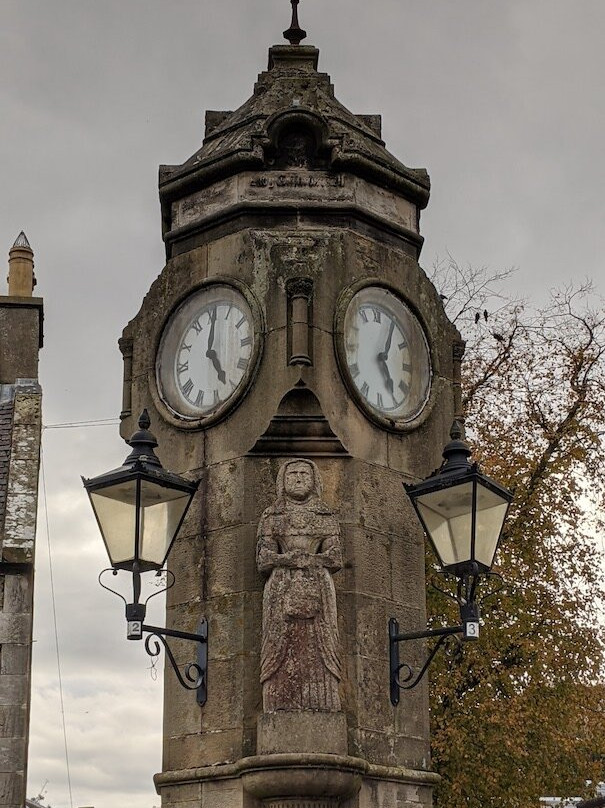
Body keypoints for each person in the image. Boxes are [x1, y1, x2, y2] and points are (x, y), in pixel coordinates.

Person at [256, 459, 343, 712]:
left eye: (304, 474)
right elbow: (263, 558)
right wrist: (288, 559)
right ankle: (278, 703)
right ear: (282, 480)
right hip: (280, 587)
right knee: (278, 643)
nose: (297, 478)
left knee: (322, 644)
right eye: (292, 473)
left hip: (318, 584)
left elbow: (335, 557)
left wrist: (311, 559)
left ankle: (324, 702)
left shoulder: (325, 515)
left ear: (314, 479)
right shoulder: (272, 515)